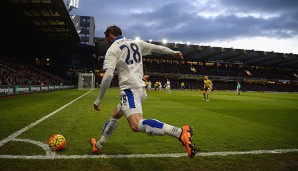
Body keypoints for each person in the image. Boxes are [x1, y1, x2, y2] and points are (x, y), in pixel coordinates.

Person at [91, 25, 196, 158]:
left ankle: (179, 132)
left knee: (136, 125)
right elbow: (156, 48)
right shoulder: (137, 43)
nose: (106, 41)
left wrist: (98, 99)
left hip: (129, 91)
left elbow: (108, 76)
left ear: (110, 35)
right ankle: (98, 145)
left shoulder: (112, 49)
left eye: (106, 38)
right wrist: (172, 52)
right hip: (140, 91)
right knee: (114, 115)